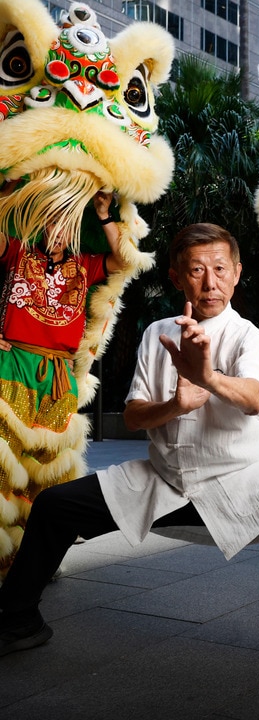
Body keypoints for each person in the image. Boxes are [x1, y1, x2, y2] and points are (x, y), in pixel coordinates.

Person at [0, 222, 259, 681]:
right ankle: (19, 619)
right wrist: (176, 403)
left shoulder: (248, 336)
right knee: (55, 506)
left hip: (246, 478)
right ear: (176, 277)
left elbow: (255, 399)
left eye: (218, 269)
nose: (209, 282)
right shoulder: (157, 333)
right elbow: (134, 416)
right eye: (196, 270)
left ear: (236, 273)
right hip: (165, 477)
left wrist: (208, 377)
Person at [0, 191, 127, 577]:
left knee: (47, 473)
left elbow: (126, 260)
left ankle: (35, 560)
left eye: (67, 221)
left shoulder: (86, 265)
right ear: (40, 223)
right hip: (13, 366)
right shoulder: (20, 253)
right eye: (52, 220)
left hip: (60, 378)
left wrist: (105, 215)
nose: (58, 229)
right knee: (5, 468)